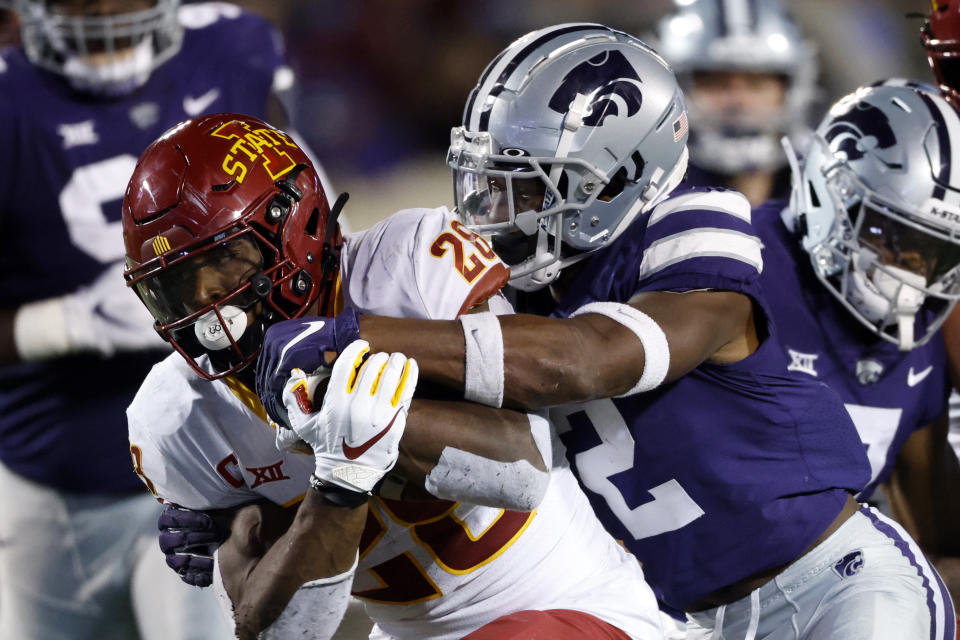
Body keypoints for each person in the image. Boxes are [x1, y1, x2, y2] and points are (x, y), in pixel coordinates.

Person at [260, 23, 957, 639]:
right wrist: (256, 506)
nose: (494, 212)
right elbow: (419, 429)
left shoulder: (699, 226)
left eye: (529, 188)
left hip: (832, 585)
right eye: (487, 182)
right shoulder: (509, 286)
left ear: (617, 179)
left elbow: (590, 359)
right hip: (672, 620)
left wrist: (354, 333)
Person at [122, 112, 666, 639]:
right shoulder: (177, 415)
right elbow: (274, 630)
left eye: (220, 265)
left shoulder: (407, 263)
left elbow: (524, 465)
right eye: (173, 288)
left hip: (566, 602)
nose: (203, 309)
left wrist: (381, 423)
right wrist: (339, 482)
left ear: (294, 225)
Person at [0, 1, 305, 638]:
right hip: (47, 476)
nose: (108, 10)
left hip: (210, 467)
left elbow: (303, 219)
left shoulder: (233, 47)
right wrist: (61, 324)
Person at [760, 78, 960, 613]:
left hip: (833, 595)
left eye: (931, 254)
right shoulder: (739, 264)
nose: (908, 276)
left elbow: (937, 546)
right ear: (833, 191)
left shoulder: (919, 340)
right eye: (891, 237)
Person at [654, 0, 816, 205]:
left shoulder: (823, 177)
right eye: (716, 83)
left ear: (790, 90)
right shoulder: (646, 185)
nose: (740, 101)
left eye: (756, 84)